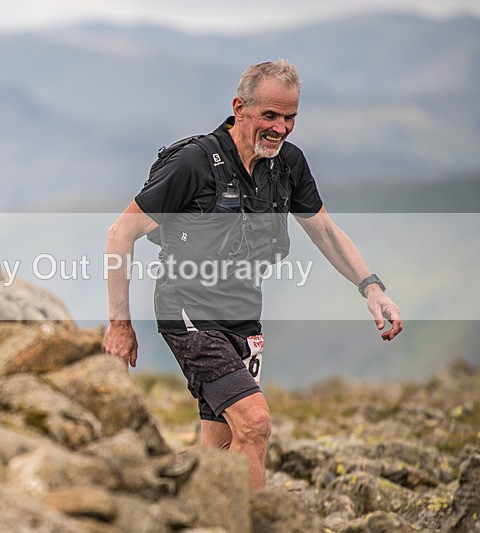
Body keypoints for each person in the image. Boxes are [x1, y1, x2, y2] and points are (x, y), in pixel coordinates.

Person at [103, 59, 402, 492]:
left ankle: (184, 510)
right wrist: (120, 324)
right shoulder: (193, 163)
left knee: (221, 447)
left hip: (244, 316)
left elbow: (325, 232)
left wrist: (371, 288)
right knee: (256, 424)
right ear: (239, 107)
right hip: (188, 310)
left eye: (290, 118)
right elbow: (120, 233)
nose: (280, 128)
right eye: (270, 116)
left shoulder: (289, 164)